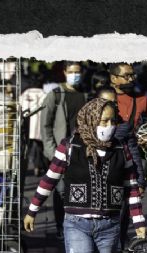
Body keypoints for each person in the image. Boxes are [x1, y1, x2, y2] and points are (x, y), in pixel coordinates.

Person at [24, 98, 147, 253]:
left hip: (109, 225)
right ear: (91, 120)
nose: (108, 126)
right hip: (77, 224)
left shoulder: (121, 150)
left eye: (112, 121)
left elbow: (131, 187)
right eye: (103, 121)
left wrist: (138, 221)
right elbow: (49, 179)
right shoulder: (69, 146)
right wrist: (32, 210)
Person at [109, 62, 147, 248]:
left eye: (132, 75)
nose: (131, 79)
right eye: (126, 75)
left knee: (125, 211)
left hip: (132, 159)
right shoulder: (105, 97)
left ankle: (119, 249)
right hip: (108, 159)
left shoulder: (142, 100)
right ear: (113, 78)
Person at [40, 61, 87, 239]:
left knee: (78, 189)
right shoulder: (55, 94)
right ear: (65, 72)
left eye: (78, 71)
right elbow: (45, 124)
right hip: (60, 151)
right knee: (61, 191)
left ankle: (76, 226)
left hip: (80, 151)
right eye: (72, 71)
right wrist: (51, 151)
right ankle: (61, 226)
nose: (75, 74)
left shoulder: (84, 94)